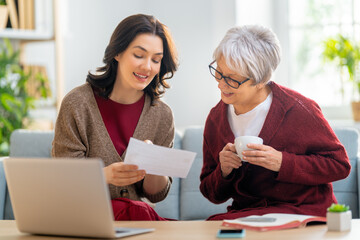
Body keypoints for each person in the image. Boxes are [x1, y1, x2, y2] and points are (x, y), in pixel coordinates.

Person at [199, 25, 351, 220]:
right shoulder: (215, 119)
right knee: (212, 225)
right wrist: (224, 171)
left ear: (261, 80)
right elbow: (211, 193)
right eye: (218, 73)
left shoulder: (299, 109)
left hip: (302, 210)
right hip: (249, 215)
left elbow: (339, 165)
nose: (221, 84)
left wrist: (282, 162)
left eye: (232, 80)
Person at [52, 14, 178, 220]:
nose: (148, 67)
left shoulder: (162, 115)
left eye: (156, 59)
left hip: (137, 220)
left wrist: (154, 163)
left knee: (141, 212)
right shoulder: (78, 103)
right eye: (139, 55)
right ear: (117, 52)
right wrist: (104, 176)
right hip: (85, 216)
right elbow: (64, 179)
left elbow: (156, 194)